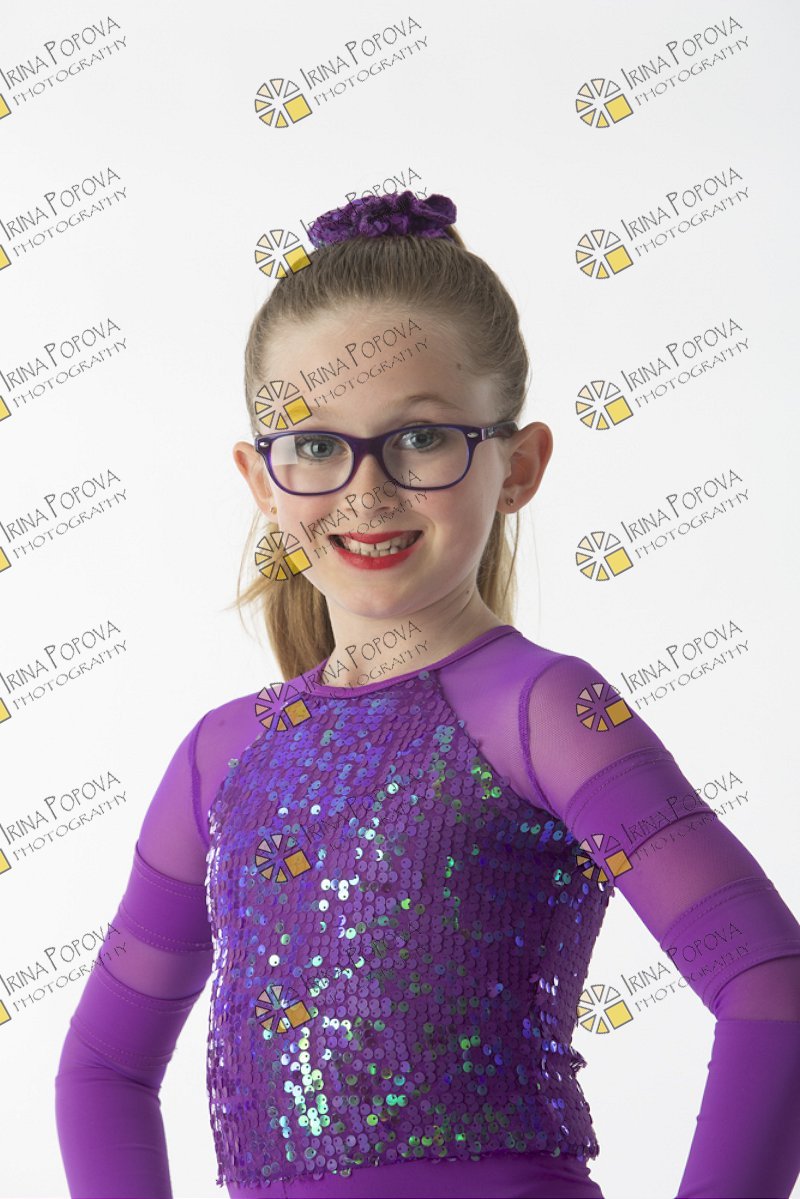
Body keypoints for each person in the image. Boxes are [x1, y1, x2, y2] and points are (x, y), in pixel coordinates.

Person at [55, 191, 800, 1199]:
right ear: (261, 479)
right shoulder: (221, 756)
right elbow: (103, 1068)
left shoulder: (545, 711)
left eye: (419, 439)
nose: (366, 491)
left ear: (519, 465)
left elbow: (769, 984)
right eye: (315, 444)